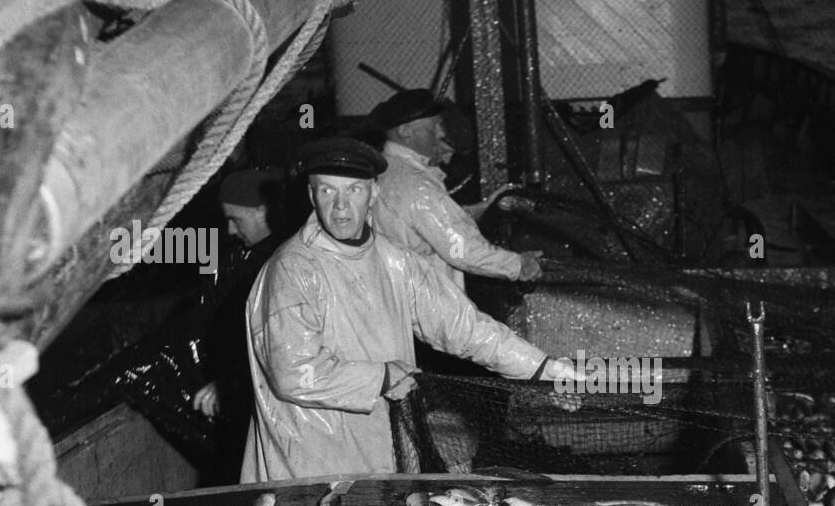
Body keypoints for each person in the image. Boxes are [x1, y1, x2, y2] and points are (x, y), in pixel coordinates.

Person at [242, 137, 577, 482]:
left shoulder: (396, 260)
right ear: (311, 196)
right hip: (309, 460)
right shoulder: (292, 269)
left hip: (381, 446)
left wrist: (543, 369)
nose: (341, 206)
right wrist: (383, 377)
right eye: (327, 191)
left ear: (373, 194)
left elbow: (466, 328)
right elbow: (293, 374)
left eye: (354, 190)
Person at [362, 89, 543, 291]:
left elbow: (430, 225)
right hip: (428, 305)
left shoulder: (382, 171)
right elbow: (460, 248)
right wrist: (518, 265)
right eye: (435, 126)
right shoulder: (416, 184)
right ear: (406, 131)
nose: (441, 133)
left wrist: (485, 207)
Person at [190, 168, 285, 431]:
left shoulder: (284, 262)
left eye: (236, 220)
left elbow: (278, 344)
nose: (230, 230)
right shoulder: (242, 256)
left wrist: (230, 382)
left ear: (262, 210)